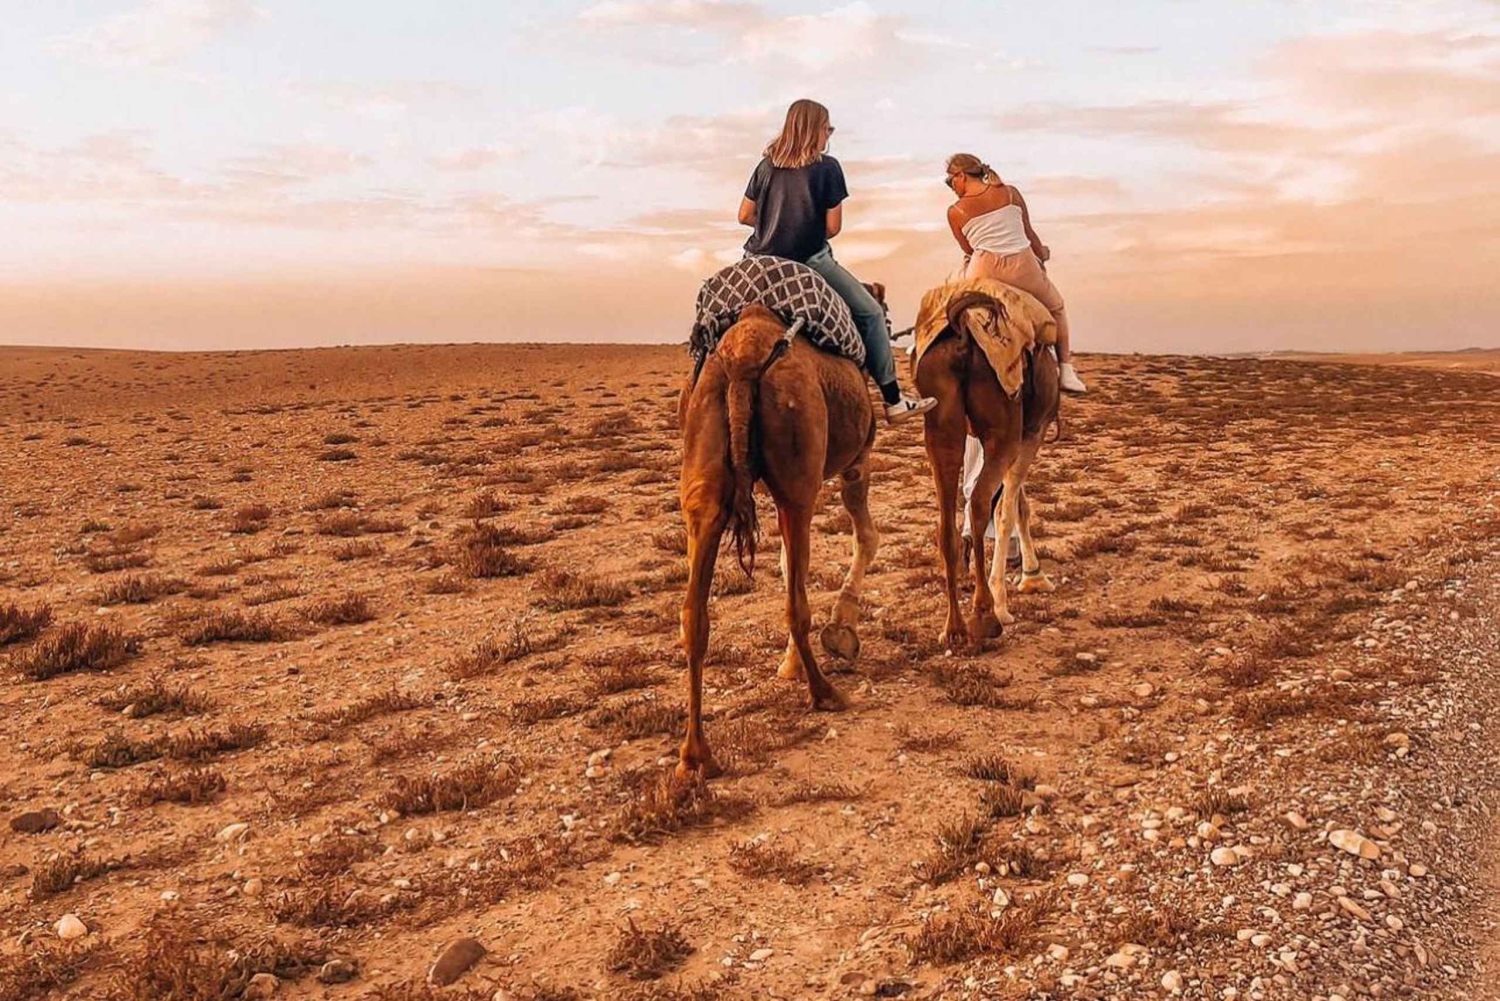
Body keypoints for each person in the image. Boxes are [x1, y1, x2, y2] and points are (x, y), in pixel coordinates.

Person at [738, 99, 937, 423]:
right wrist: (799, 225)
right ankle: (893, 400)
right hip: (809, 261)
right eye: (826, 128)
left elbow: (744, 215)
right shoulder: (827, 167)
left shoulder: (765, 166)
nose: (828, 134)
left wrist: (774, 224)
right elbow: (832, 228)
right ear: (813, 130)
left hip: (759, 264)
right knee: (871, 313)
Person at [943, 153, 1086, 393]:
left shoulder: (955, 211)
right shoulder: (1010, 193)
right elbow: (1029, 234)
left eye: (950, 181)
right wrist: (1042, 253)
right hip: (1023, 268)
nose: (951, 187)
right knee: (1057, 308)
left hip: (984, 273)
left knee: (951, 304)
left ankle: (926, 343)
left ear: (961, 176)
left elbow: (968, 248)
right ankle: (1066, 370)